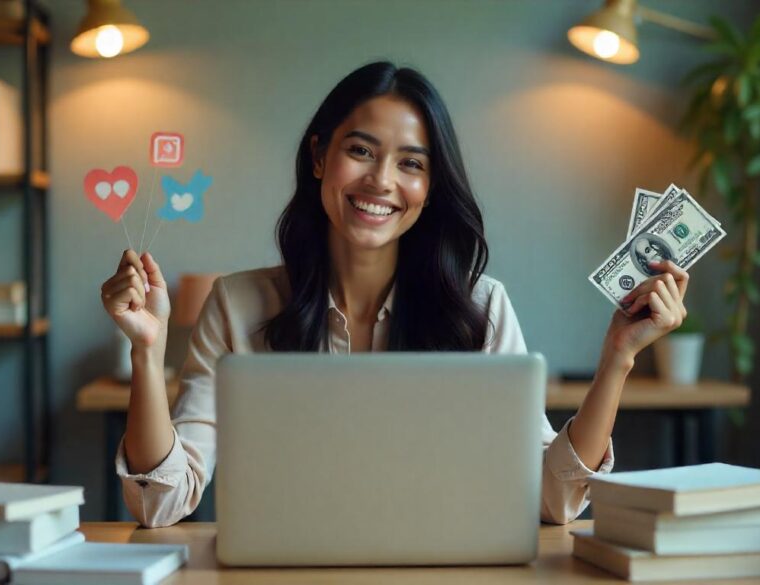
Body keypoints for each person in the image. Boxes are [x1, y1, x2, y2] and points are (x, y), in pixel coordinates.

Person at [100, 62, 689, 528]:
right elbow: (161, 504)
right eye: (360, 150)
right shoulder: (236, 306)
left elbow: (551, 500)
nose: (381, 180)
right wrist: (147, 354)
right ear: (318, 156)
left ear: (430, 189)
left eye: (411, 164)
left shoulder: (482, 309)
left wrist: (618, 357)